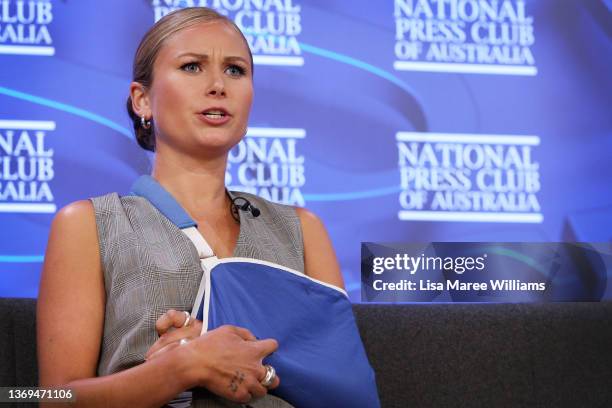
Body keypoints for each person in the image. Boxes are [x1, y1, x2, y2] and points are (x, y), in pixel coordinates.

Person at [37, 7, 346, 408]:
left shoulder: (302, 229)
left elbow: (342, 386)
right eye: (192, 67)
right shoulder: (88, 225)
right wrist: (181, 368)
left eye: (235, 70)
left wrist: (251, 362)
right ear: (142, 100)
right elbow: (49, 397)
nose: (218, 84)